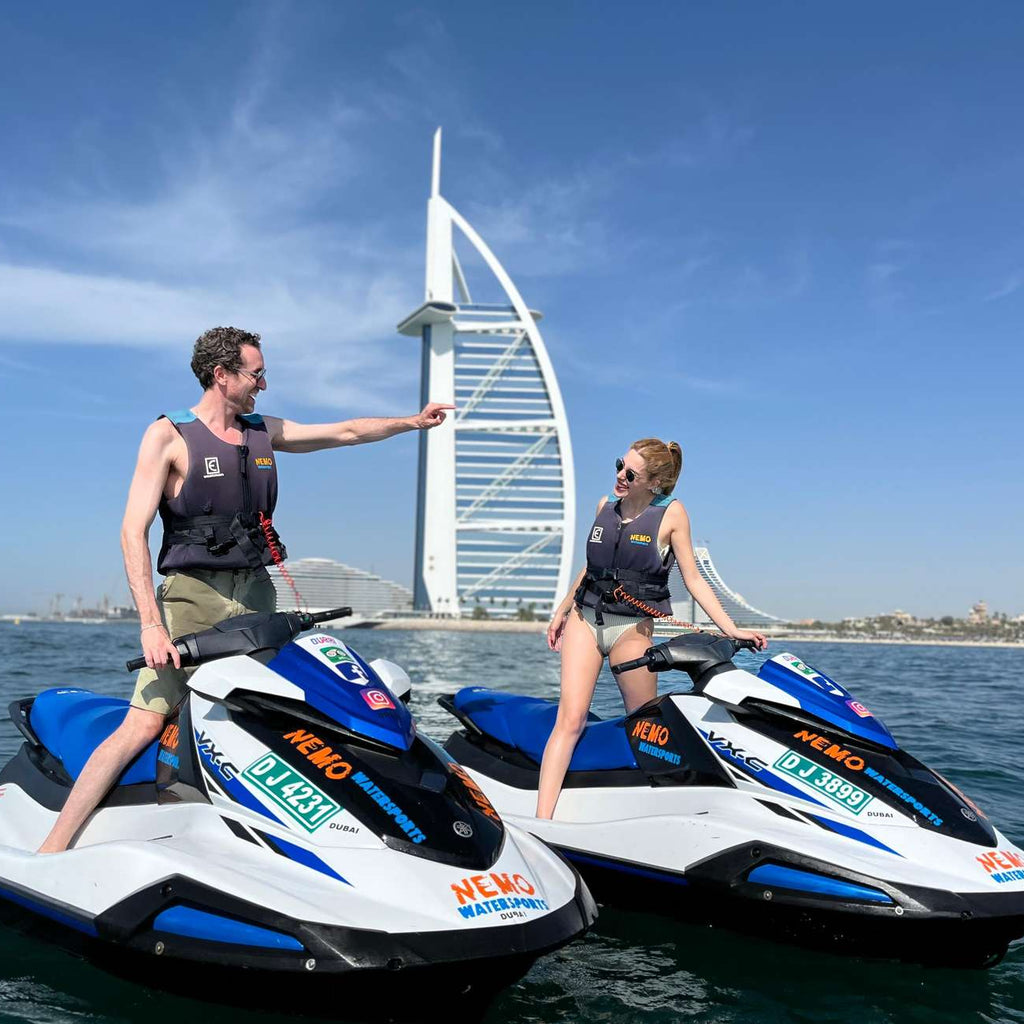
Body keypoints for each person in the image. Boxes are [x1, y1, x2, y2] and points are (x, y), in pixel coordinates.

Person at [38, 326, 452, 853]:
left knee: (276, 709)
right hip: (192, 597)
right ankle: (54, 846)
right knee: (145, 721)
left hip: (258, 594)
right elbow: (130, 531)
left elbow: (345, 432)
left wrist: (412, 422)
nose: (264, 383)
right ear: (222, 375)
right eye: (256, 373)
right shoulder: (169, 435)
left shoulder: (263, 430)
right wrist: (149, 623)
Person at [537, 437, 767, 819]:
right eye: (618, 466)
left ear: (654, 483)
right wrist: (562, 611)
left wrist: (731, 629)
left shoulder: (672, 514)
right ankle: (542, 820)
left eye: (630, 473)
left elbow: (693, 579)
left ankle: (654, 816)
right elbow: (591, 569)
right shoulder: (604, 506)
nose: (619, 477)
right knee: (570, 718)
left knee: (646, 728)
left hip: (631, 629)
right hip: (585, 619)